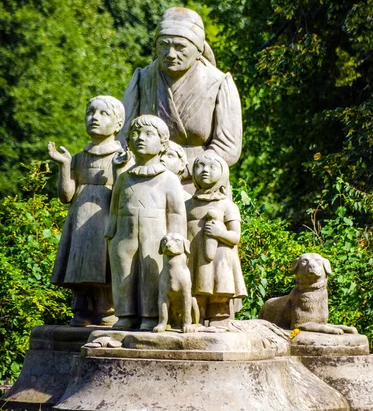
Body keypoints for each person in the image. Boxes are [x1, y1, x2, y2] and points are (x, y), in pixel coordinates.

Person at [121, 7, 242, 190]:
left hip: (199, 183)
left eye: (180, 47)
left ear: (198, 49)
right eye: (164, 45)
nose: (170, 54)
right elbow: (123, 136)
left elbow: (229, 147)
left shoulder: (219, 83)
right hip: (146, 180)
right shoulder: (143, 79)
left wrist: (182, 168)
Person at [49, 95, 127, 327]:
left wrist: (120, 170)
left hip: (106, 218)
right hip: (80, 221)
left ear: (118, 123)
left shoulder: (120, 157)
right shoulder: (79, 158)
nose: (95, 118)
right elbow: (66, 196)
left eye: (104, 114)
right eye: (91, 112)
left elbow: (123, 194)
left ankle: (108, 308)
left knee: (105, 265)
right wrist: (64, 165)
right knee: (79, 263)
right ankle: (82, 308)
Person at [106, 115, 187, 331]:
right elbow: (115, 205)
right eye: (136, 134)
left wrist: (176, 240)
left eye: (149, 134)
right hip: (124, 234)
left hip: (156, 236)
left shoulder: (168, 179)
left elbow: (177, 213)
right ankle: (125, 314)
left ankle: (151, 316)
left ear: (162, 143)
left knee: (152, 274)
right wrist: (111, 232)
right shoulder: (124, 178)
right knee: (124, 272)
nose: (141, 138)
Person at [186, 152, 247, 326]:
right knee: (194, 292)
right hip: (193, 258)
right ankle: (196, 318)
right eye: (200, 166)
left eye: (212, 167)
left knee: (219, 293)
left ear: (223, 173)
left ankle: (219, 320)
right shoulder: (188, 205)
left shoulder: (227, 205)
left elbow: (235, 237)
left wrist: (220, 233)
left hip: (220, 260)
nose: (205, 170)